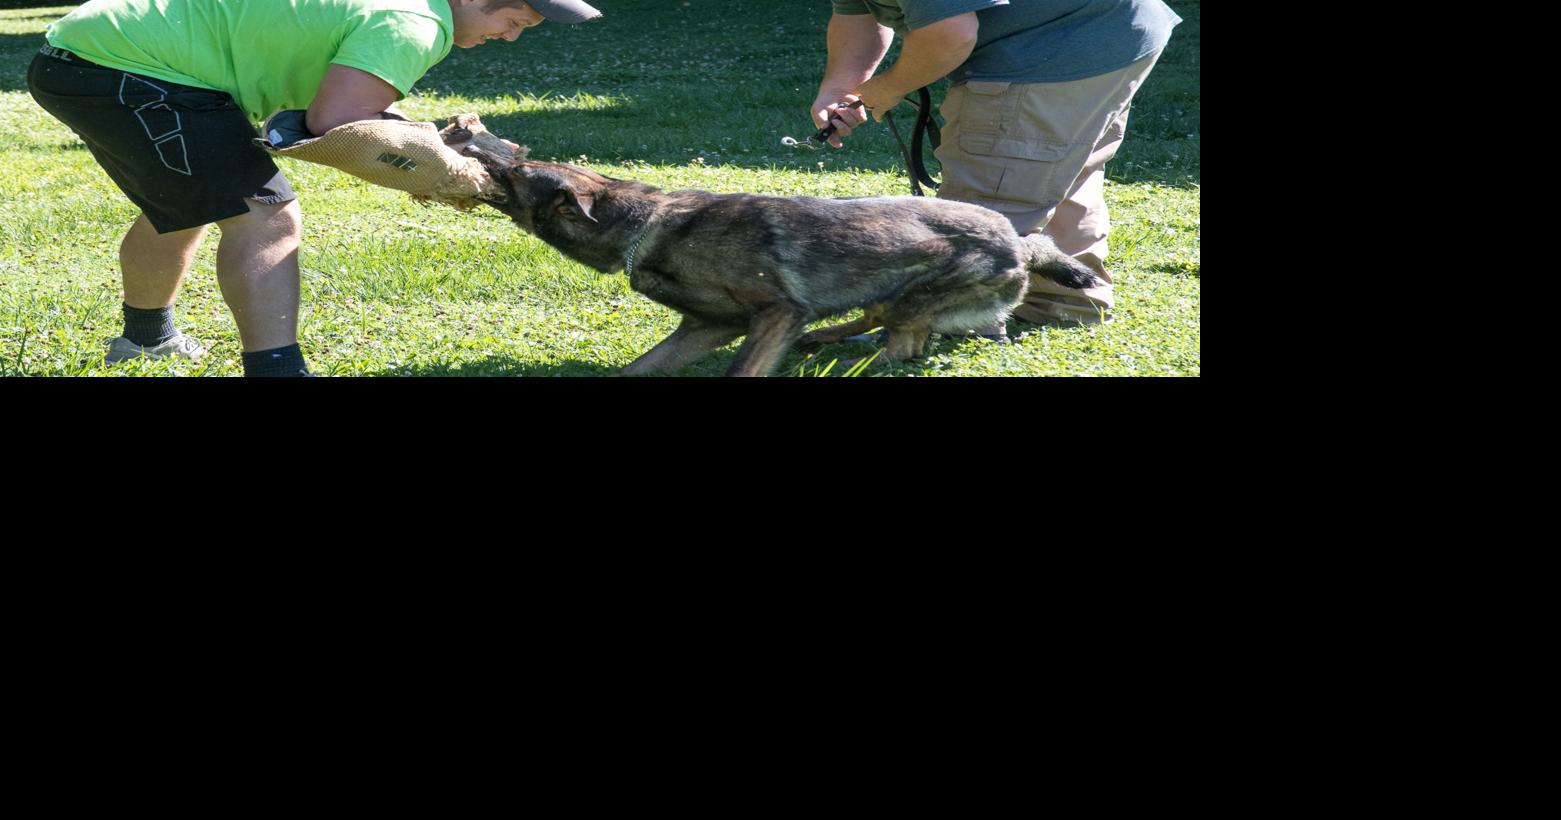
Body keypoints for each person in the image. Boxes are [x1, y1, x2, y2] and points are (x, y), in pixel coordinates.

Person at [26, 0, 603, 377]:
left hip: (88, 55)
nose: (509, 38)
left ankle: (146, 341)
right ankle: (277, 370)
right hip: (126, 69)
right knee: (266, 213)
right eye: (515, 22)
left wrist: (427, 141)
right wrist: (442, 167)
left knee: (190, 200)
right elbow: (336, 121)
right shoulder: (417, 24)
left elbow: (347, 105)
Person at [812, 0, 1181, 331]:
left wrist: (891, 87)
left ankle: (956, 324)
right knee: (1061, 173)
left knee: (984, 209)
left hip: (1051, 47)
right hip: (1111, 31)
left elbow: (950, 34)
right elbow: (856, 12)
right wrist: (839, 88)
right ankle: (1063, 305)